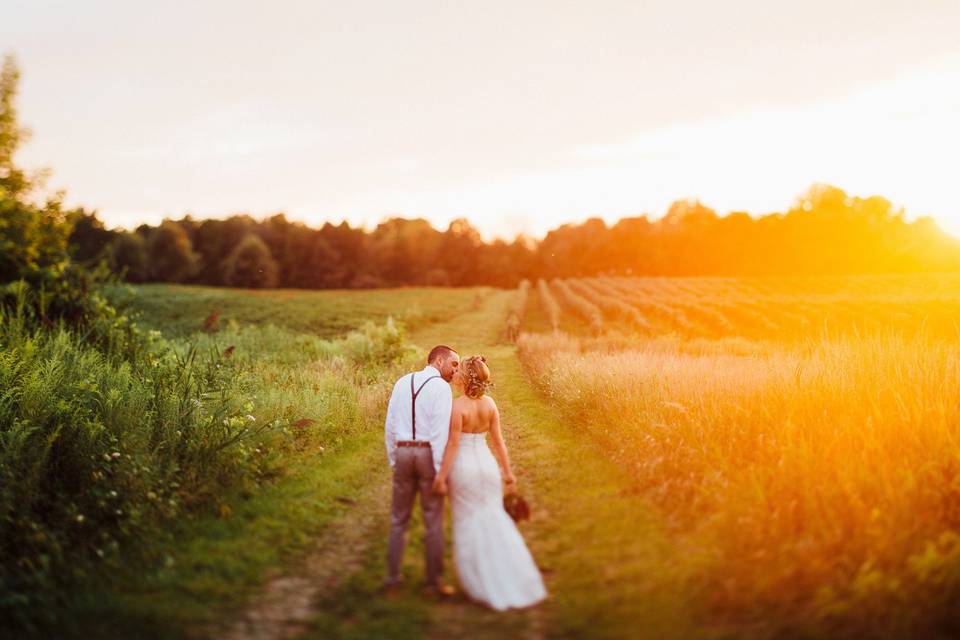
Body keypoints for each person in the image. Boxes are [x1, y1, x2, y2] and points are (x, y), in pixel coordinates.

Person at [432, 355, 547, 610]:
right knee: (494, 518)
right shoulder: (490, 405)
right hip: (487, 468)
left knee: (467, 522)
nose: (456, 374)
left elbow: (452, 445)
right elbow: (499, 443)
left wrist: (440, 477)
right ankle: (512, 575)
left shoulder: (457, 407)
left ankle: (480, 581)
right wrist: (508, 474)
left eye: (458, 371)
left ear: (464, 377)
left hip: (463, 470)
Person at [383, 345, 460, 596]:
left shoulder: (402, 382)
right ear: (438, 361)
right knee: (433, 521)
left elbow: (391, 425)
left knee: (398, 520)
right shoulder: (441, 388)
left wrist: (395, 458)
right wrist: (441, 473)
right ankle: (433, 583)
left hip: (404, 452)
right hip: (428, 454)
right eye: (453, 364)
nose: (455, 370)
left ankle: (392, 580)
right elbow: (439, 433)